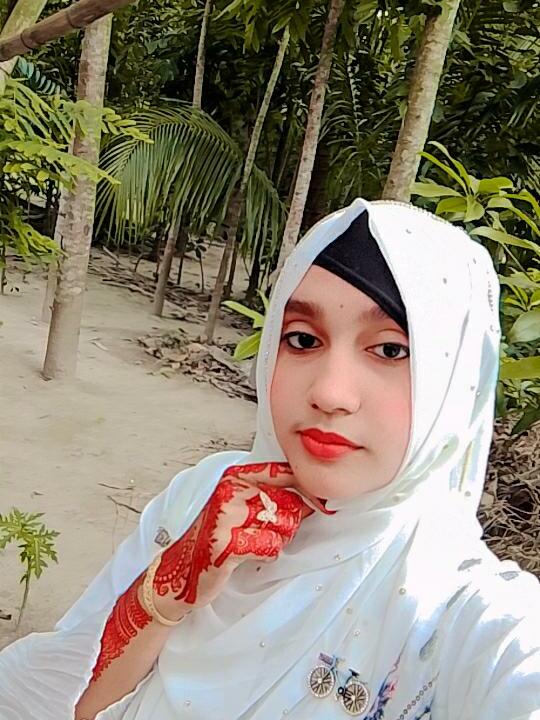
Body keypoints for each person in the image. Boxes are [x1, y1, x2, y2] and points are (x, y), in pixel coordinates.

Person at [0, 198, 539, 720]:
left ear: (454, 382)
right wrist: (165, 595)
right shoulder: (207, 494)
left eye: (391, 350)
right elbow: (56, 703)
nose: (329, 393)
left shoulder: (458, 610)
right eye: (302, 340)